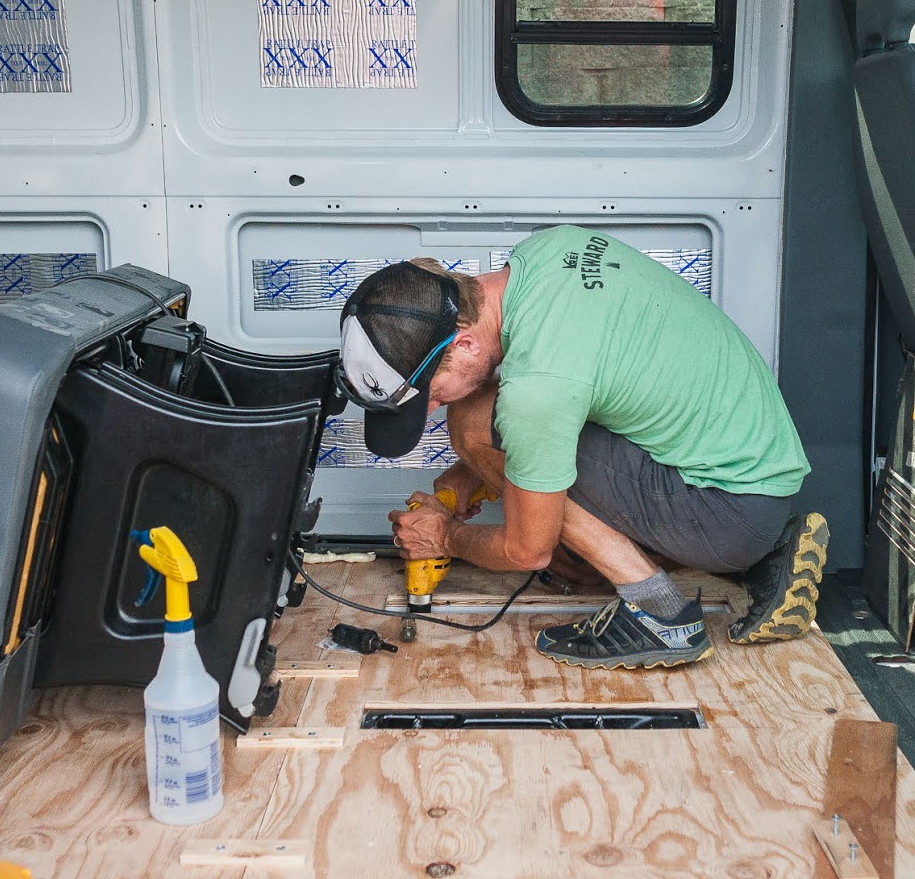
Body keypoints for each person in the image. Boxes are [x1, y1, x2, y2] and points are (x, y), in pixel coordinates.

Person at [336, 225, 829, 668]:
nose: (430, 411)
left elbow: (528, 551)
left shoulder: (537, 391)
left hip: (725, 510)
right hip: (751, 473)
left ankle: (660, 612)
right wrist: (474, 473)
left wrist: (444, 538)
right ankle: (761, 556)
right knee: (549, 519)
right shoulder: (549, 251)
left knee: (475, 422)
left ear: (462, 343)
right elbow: (587, 376)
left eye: (430, 394)